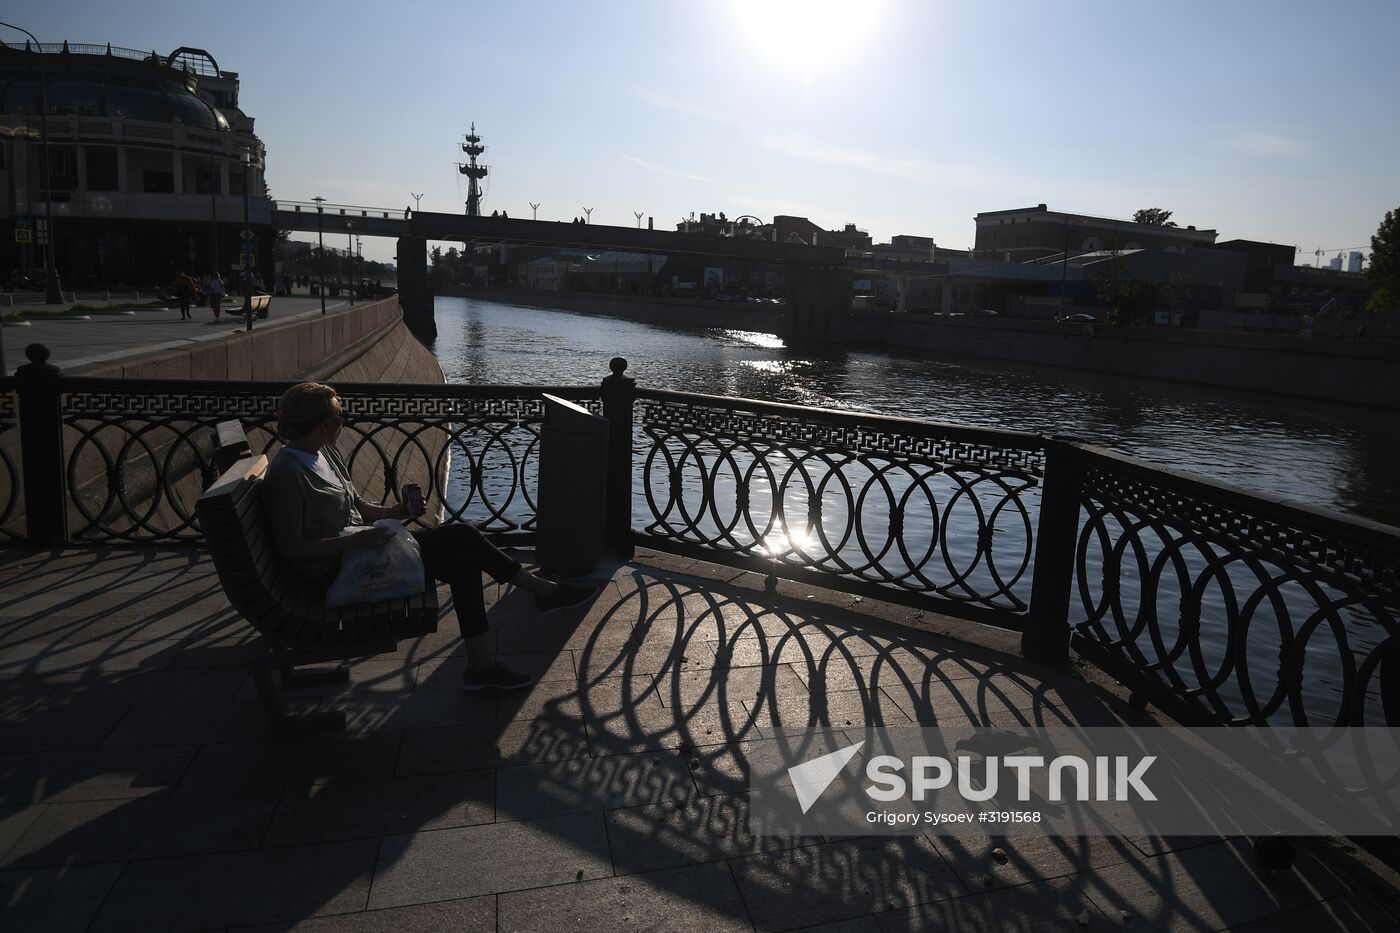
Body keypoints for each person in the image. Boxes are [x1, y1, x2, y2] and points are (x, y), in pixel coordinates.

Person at [261, 382, 597, 690]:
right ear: (323, 423)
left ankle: (486, 660)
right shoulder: (288, 474)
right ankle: (539, 598)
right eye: (340, 414)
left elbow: (356, 505)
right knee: (462, 540)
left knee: (462, 552)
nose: (345, 419)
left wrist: (393, 513)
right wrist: (354, 541)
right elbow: (291, 548)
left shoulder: (323, 451)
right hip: (334, 576)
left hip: (360, 555)